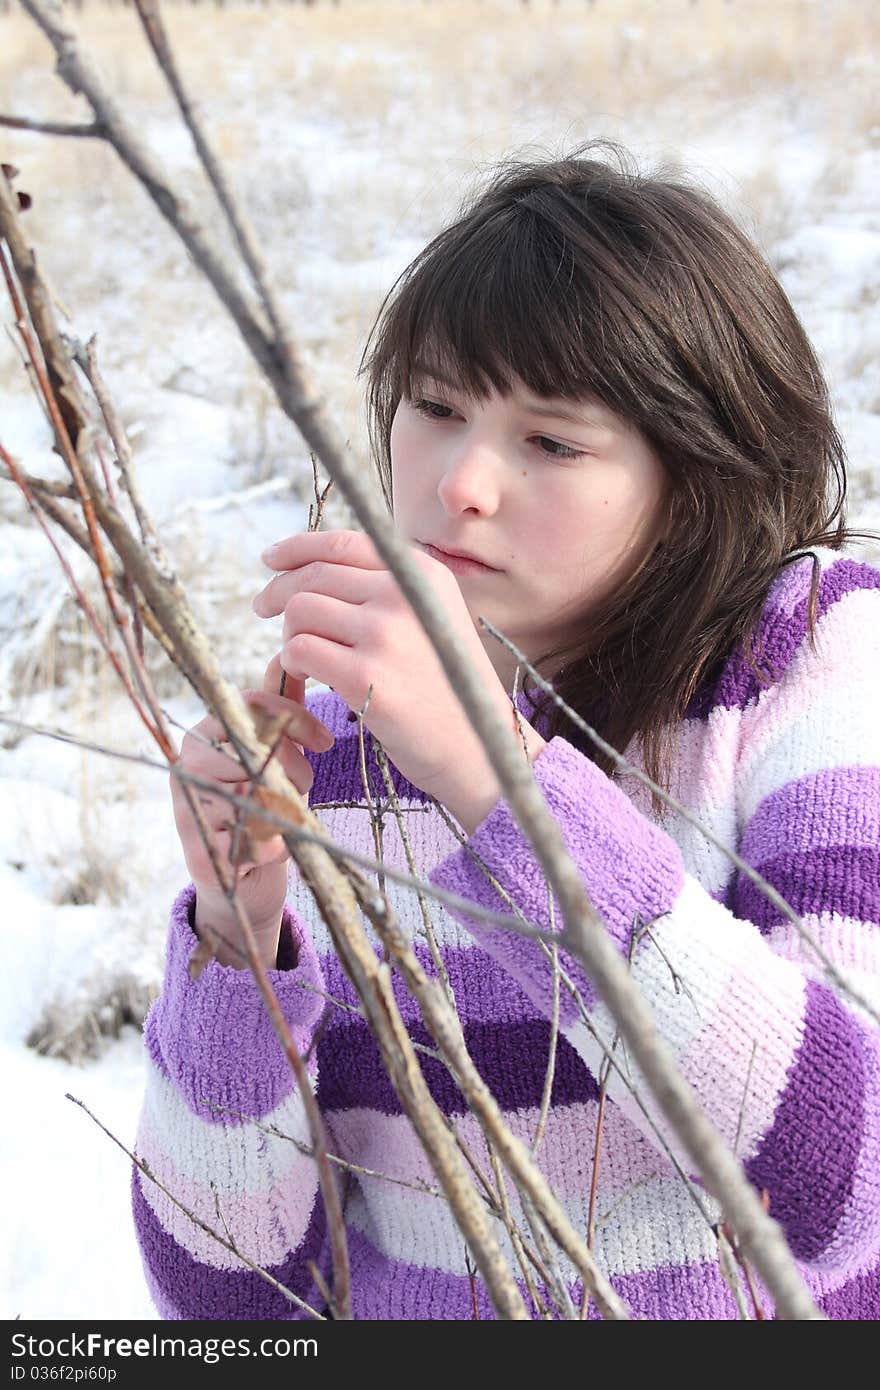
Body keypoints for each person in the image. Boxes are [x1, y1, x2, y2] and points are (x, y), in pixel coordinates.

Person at [132, 143, 880, 1320]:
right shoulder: (333, 748)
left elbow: (846, 1174)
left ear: (698, 477)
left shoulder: (808, 655)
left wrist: (493, 777)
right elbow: (234, 1304)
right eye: (434, 407)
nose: (461, 480)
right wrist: (239, 934)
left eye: (552, 441)